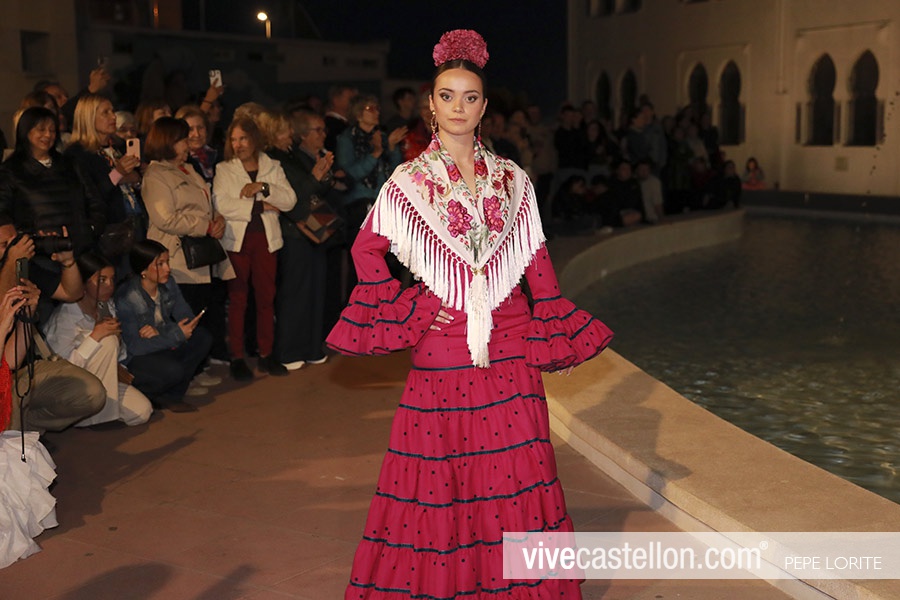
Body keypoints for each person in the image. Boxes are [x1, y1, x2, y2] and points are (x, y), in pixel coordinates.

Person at [326, 30, 613, 600]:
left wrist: (547, 319)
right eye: (447, 95)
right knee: (442, 478)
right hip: (444, 346)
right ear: (431, 106)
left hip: (511, 340)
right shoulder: (408, 182)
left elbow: (535, 258)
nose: (459, 107)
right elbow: (365, 250)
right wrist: (412, 305)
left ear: (484, 108)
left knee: (520, 472)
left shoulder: (513, 178)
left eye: (471, 97)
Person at [141, 116, 233, 370]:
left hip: (201, 255)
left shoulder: (188, 169)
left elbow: (206, 203)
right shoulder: (156, 175)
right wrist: (205, 225)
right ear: (168, 142)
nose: (188, 143)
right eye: (183, 139)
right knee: (181, 316)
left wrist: (218, 219)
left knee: (200, 311)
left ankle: (198, 366)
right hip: (176, 258)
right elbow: (165, 218)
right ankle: (185, 373)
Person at [213, 116, 296, 380]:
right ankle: (237, 356)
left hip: (266, 241)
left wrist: (262, 187)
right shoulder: (224, 169)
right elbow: (222, 205)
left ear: (254, 139)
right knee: (238, 299)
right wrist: (261, 205)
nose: (238, 145)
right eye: (234, 139)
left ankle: (266, 354)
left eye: (243, 138)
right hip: (238, 242)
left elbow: (290, 201)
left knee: (266, 298)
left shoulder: (272, 166)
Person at [264, 109, 338, 370]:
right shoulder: (272, 159)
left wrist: (322, 173)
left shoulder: (290, 155)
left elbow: (312, 188)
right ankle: (290, 350)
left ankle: (311, 346)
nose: (290, 134)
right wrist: (316, 176)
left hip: (312, 229)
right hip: (294, 232)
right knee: (296, 293)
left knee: (315, 290)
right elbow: (293, 197)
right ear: (273, 133)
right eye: (285, 130)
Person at [43, 252, 153, 426]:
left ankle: (96, 414)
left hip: (103, 379)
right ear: (82, 283)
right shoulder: (65, 317)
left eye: (112, 279)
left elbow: (119, 356)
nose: (110, 286)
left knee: (142, 411)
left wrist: (118, 340)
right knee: (106, 341)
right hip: (73, 385)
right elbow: (61, 370)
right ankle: (93, 416)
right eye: (102, 280)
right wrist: (95, 336)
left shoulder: (106, 306)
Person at [115, 240, 212, 413]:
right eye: (160, 264)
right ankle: (149, 393)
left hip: (161, 342)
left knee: (202, 337)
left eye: (167, 262)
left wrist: (162, 332)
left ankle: (172, 395)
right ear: (143, 270)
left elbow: (186, 317)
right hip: (137, 357)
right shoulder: (128, 298)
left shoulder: (168, 283)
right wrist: (174, 334)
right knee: (173, 370)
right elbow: (135, 347)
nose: (167, 268)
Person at [65, 94, 145, 267]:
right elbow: (88, 195)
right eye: (105, 112)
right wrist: (118, 174)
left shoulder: (118, 147)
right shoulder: (77, 154)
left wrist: (137, 178)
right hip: (109, 232)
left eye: (112, 111)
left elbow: (131, 180)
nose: (113, 116)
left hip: (134, 221)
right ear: (88, 118)